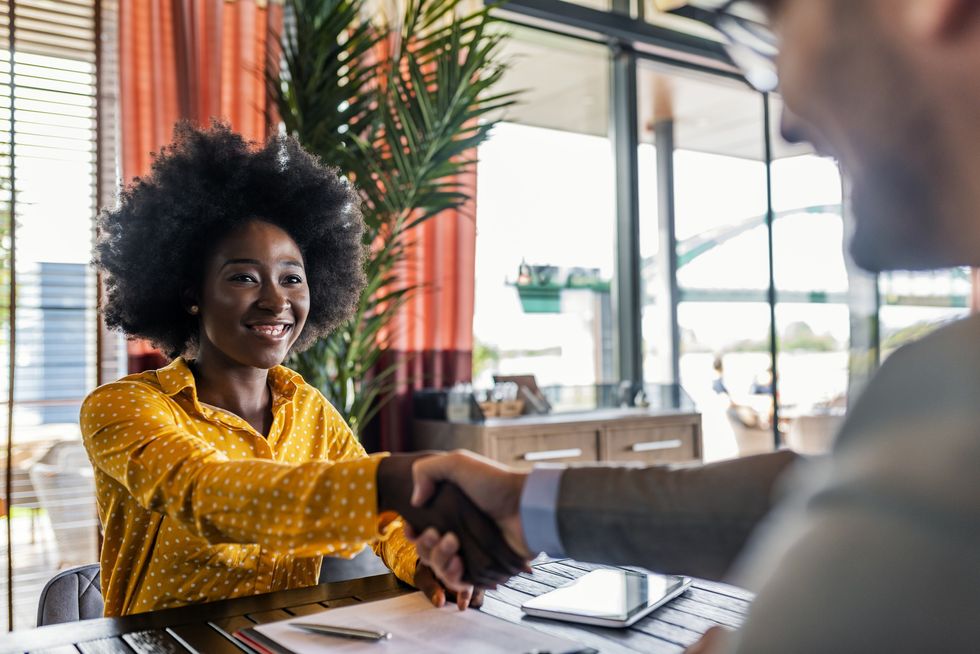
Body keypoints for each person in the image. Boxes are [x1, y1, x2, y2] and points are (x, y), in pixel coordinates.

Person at [407, 0, 980, 651]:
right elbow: (807, 494)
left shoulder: (953, 400)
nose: (788, 121)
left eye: (774, 27)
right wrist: (526, 504)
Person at [83, 122, 522, 616]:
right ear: (191, 294)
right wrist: (393, 479)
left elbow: (390, 525)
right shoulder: (123, 407)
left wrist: (422, 562)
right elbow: (207, 494)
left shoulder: (308, 410)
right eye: (244, 277)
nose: (277, 301)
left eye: (292, 278)